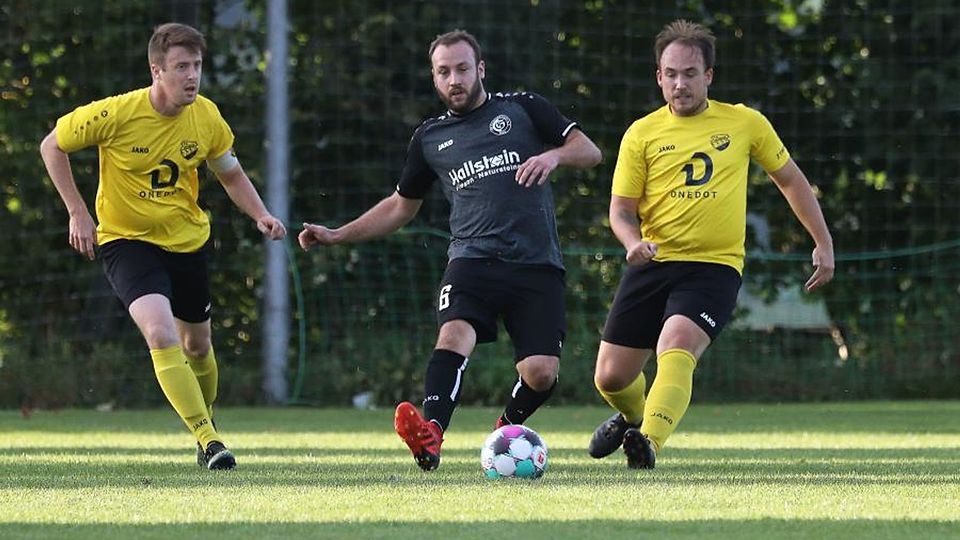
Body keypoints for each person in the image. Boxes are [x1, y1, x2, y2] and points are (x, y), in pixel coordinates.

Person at [299, 29, 602, 471]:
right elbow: (401, 206)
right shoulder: (429, 138)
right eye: (444, 72)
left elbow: (589, 151)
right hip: (471, 260)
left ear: (480, 69)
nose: (454, 79)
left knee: (541, 373)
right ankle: (432, 435)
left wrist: (553, 156)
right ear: (434, 78)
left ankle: (506, 428)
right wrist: (337, 234)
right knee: (453, 334)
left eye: (462, 68)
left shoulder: (522, 108)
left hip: (535, 264)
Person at [39, 22, 286, 470]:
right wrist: (77, 211)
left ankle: (204, 421)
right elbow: (51, 145)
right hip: (126, 241)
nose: (191, 76)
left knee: (197, 347)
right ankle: (209, 440)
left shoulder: (206, 116)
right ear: (157, 70)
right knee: (159, 332)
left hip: (187, 241)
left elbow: (229, 171)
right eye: (180, 67)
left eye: (196, 66)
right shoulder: (114, 114)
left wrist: (260, 213)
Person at [588, 19, 834, 469]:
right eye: (671, 74)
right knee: (610, 376)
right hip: (652, 262)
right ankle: (634, 416)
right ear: (658, 76)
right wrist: (631, 241)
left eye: (690, 73)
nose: (680, 84)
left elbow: (791, 181)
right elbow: (621, 210)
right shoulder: (641, 133)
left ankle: (649, 444)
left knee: (676, 343)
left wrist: (823, 242)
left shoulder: (744, 123)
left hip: (713, 267)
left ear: (708, 77)